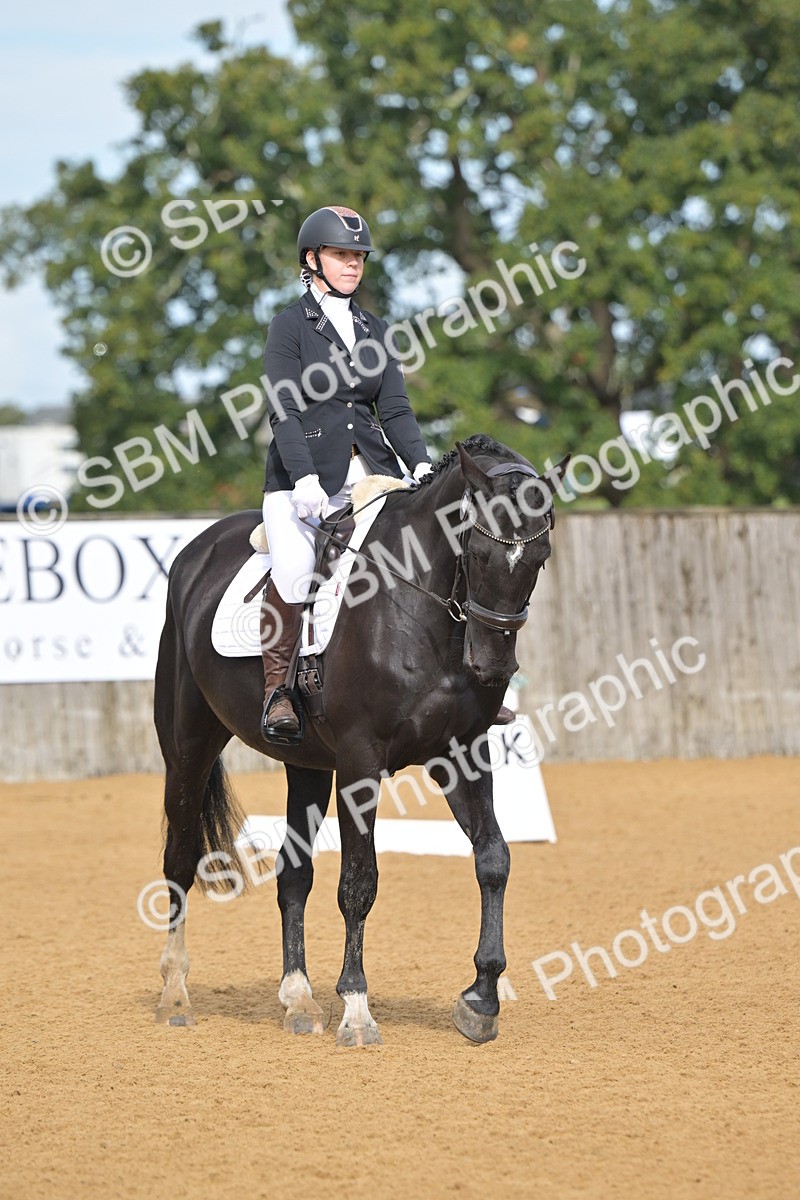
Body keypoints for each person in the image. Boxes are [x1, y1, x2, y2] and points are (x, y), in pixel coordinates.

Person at [259, 204, 432, 742]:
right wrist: (305, 478)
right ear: (312, 259)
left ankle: (455, 684)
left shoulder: (374, 328)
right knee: (293, 566)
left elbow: (395, 411)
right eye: (341, 255)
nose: (353, 265)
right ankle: (278, 690)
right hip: (299, 481)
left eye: (358, 257)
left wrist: (420, 463)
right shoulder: (289, 327)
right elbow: (284, 408)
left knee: (426, 552)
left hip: (373, 476)